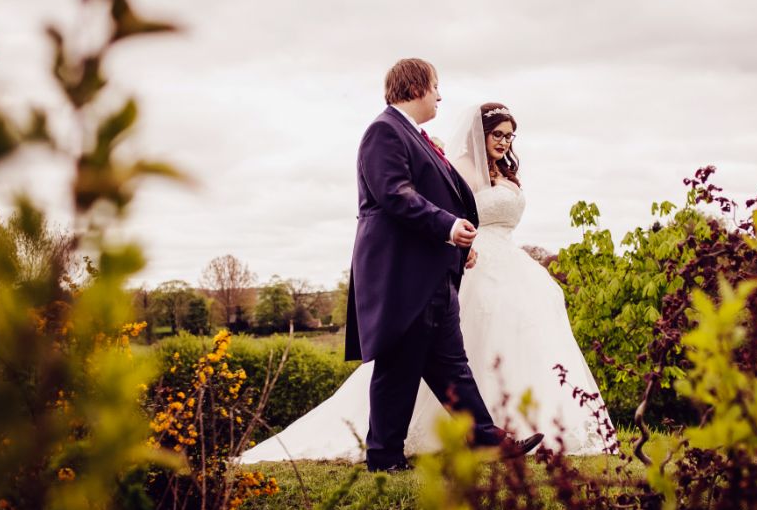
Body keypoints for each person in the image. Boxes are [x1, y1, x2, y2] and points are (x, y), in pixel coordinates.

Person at [239, 93, 612, 466]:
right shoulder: (394, 137)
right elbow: (407, 200)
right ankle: (387, 454)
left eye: (509, 136)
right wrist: (456, 236)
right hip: (434, 269)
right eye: (497, 133)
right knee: (405, 365)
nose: (439, 96)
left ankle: (485, 438)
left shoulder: (436, 147)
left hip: (473, 265)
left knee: (451, 363)